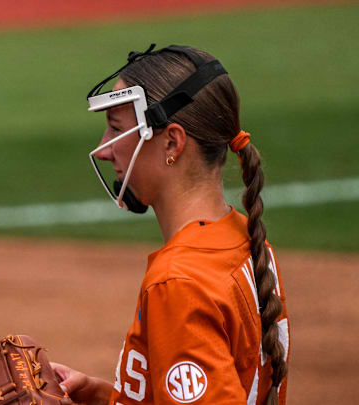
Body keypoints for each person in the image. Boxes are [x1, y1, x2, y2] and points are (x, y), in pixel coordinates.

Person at [52, 45, 290, 405]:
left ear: (172, 142)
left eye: (115, 129)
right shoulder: (244, 238)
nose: (104, 149)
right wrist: (101, 396)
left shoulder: (179, 282)